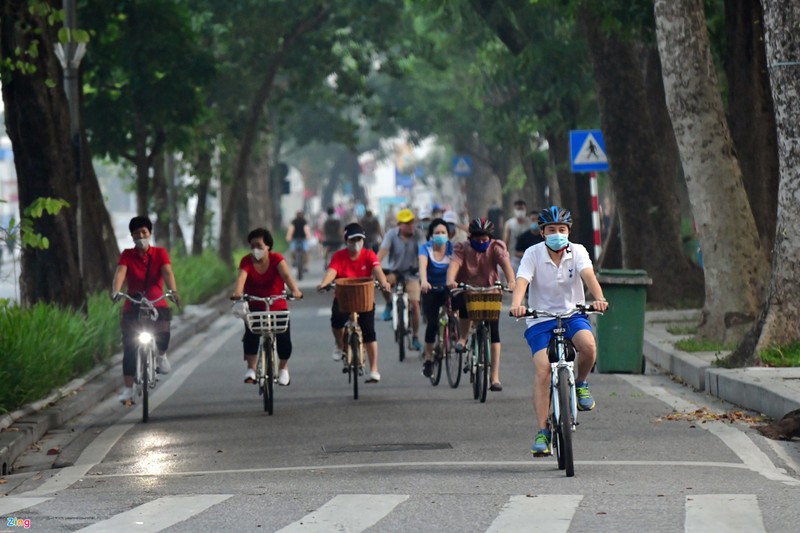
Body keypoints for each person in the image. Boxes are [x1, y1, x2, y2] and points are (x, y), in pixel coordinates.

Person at [509, 206, 609, 456]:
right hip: (540, 319)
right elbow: (522, 281)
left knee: (588, 346)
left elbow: (589, 275)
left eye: (561, 230)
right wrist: (516, 304)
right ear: (542, 233)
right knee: (543, 369)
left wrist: (599, 298)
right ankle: (542, 431)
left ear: (568, 231)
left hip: (572, 314)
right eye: (551, 230)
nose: (557, 234)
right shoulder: (532, 254)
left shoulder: (578, 252)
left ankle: (582, 383)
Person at [112, 216, 180, 404]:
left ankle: (161, 354)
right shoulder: (126, 255)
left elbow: (167, 272)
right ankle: (128, 389)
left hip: (156, 302)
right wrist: (116, 291)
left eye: (144, 232)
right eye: (137, 233)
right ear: (132, 236)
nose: (141, 236)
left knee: (164, 331)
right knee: (129, 346)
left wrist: (173, 291)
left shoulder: (160, 253)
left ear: (150, 233)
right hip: (132, 303)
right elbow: (120, 273)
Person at [446, 217, 515, 391]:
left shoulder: (496, 247)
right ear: (471, 238)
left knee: (494, 331)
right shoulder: (462, 248)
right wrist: (451, 281)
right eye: (478, 240)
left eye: (485, 240)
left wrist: (512, 281)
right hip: (468, 288)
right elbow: (454, 265)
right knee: (464, 306)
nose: (482, 243)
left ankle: (495, 377)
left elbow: (506, 265)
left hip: (491, 290)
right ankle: (462, 337)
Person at [318, 223, 391, 383]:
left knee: (369, 333)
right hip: (343, 298)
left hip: (364, 299)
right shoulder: (338, 256)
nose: (356, 243)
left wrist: (384, 282)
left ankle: (373, 369)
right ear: (346, 240)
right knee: (337, 322)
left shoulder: (369, 255)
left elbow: (378, 271)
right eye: (353, 240)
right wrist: (324, 284)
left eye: (359, 239)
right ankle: (339, 344)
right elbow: (332, 272)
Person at [233, 228, 302, 386]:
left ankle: (283, 368)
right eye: (252, 246)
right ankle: (251, 368)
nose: (255, 249)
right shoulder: (246, 261)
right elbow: (241, 278)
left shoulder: (277, 259)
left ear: (268, 246)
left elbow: (286, 276)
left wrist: (295, 290)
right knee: (251, 333)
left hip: (277, 305)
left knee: (284, 338)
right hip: (255, 305)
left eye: (259, 245)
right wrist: (237, 293)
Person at [377, 208, 425, 351]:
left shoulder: (419, 235)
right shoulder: (391, 234)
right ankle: (389, 304)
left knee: (415, 305)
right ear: (399, 224)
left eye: (412, 222)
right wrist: (374, 265)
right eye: (406, 223)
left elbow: (423, 254)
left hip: (412, 274)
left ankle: (415, 337)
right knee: (382, 282)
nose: (410, 226)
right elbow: (383, 252)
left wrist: (424, 272)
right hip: (395, 273)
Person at [418, 218, 454, 378]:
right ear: (431, 235)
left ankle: (455, 336)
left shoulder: (453, 249)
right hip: (430, 288)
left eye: (443, 233)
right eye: (437, 233)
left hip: (448, 287)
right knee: (432, 324)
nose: (440, 235)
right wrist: (424, 281)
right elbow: (422, 268)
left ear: (448, 235)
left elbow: (458, 266)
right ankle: (428, 359)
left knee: (457, 312)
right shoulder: (425, 249)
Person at [503, 199, 529, 272]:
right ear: (514, 210)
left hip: (528, 256)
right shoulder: (509, 224)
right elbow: (506, 240)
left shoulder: (529, 223)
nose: (520, 211)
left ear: (525, 209)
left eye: (522, 209)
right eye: (518, 209)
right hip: (513, 257)